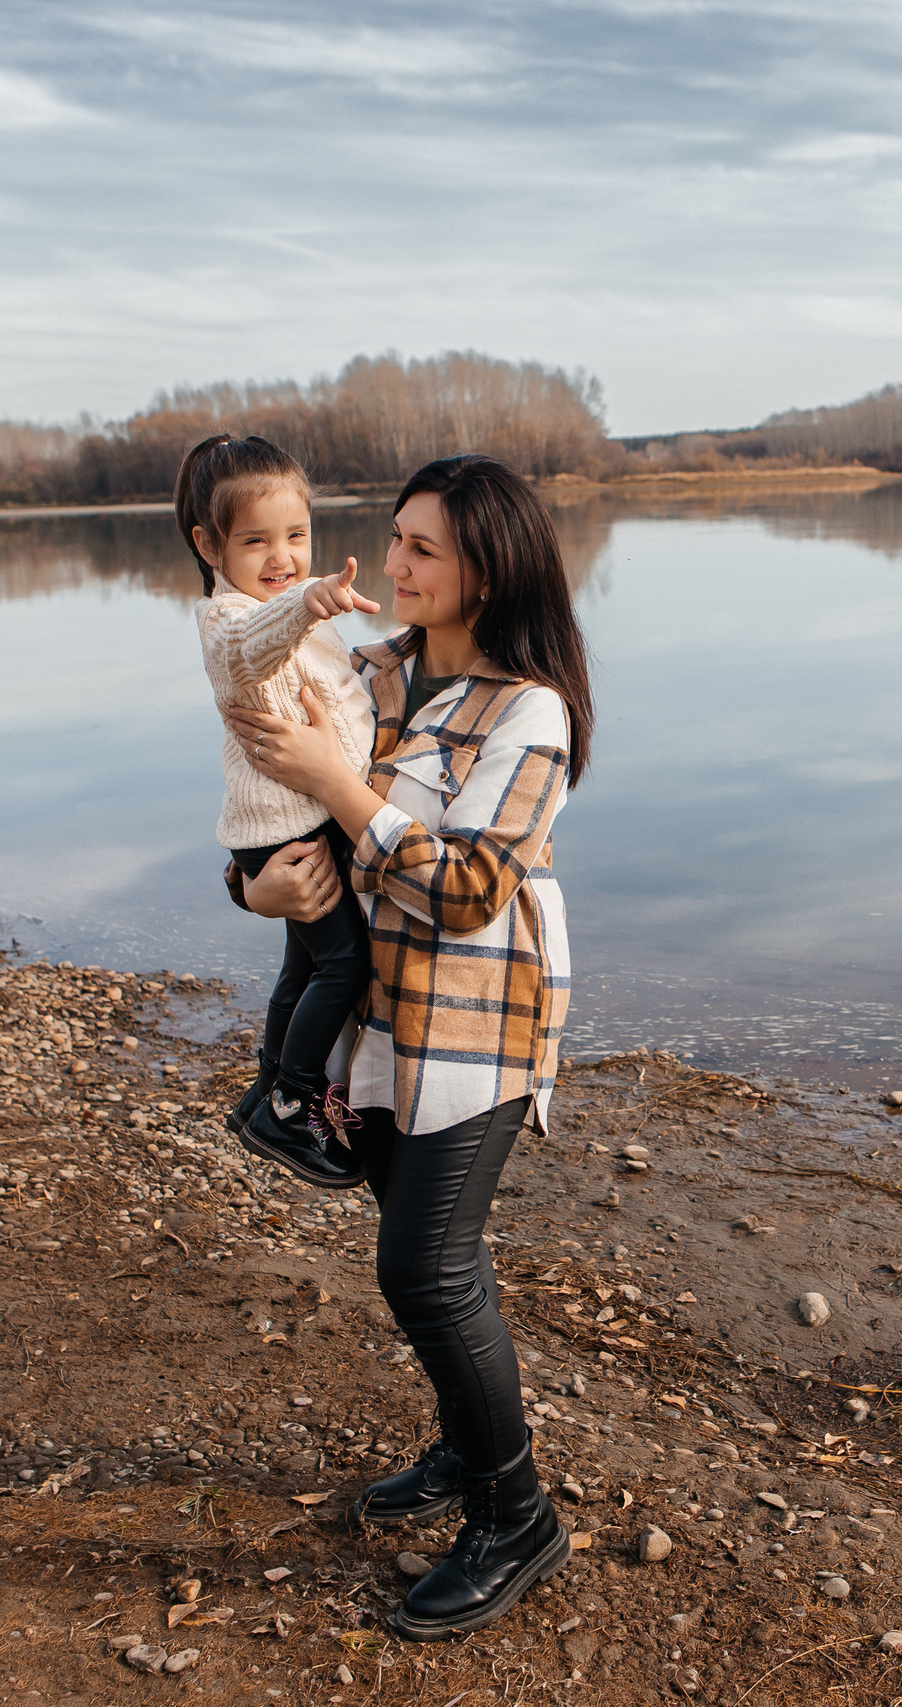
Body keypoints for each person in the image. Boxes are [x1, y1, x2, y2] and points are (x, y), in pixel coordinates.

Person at [227, 453, 593, 1641]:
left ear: (489, 564)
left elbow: (475, 888)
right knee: (429, 1265)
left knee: (421, 1269)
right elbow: (263, 810)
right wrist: (257, 897)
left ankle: (518, 1515)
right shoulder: (365, 671)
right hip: (374, 1029)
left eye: (422, 549)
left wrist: (343, 785)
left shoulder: (527, 709)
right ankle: (464, 1449)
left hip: (478, 1028)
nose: (394, 565)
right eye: (393, 541)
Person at [178, 433, 379, 1189]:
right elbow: (259, 643)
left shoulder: (297, 618)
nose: (282, 557)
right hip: (284, 832)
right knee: (347, 960)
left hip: (295, 825)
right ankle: (293, 1101)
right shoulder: (230, 622)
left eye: (296, 537)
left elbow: (342, 692)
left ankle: (268, 1086)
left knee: (303, 967)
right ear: (209, 544)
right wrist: (307, 598)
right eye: (255, 540)